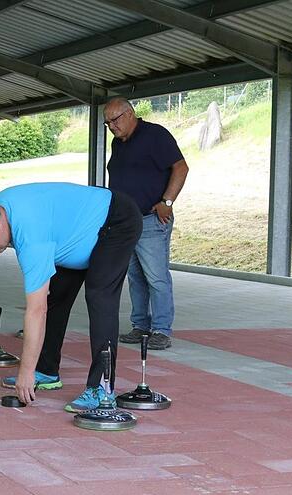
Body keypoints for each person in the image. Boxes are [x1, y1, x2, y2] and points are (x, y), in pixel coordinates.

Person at [0, 183, 141, 411]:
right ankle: (47, 370)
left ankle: (102, 388)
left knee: (99, 297)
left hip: (116, 220)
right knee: (56, 296)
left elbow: (36, 311)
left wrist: (25, 371)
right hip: (75, 234)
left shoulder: (31, 237)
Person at [104, 97, 188, 351]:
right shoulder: (118, 143)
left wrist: (168, 201)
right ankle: (140, 325)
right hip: (125, 222)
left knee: (156, 276)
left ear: (130, 114)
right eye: (107, 123)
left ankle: (161, 329)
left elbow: (181, 168)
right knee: (135, 276)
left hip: (151, 220)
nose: (112, 127)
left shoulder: (156, 135)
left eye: (115, 120)